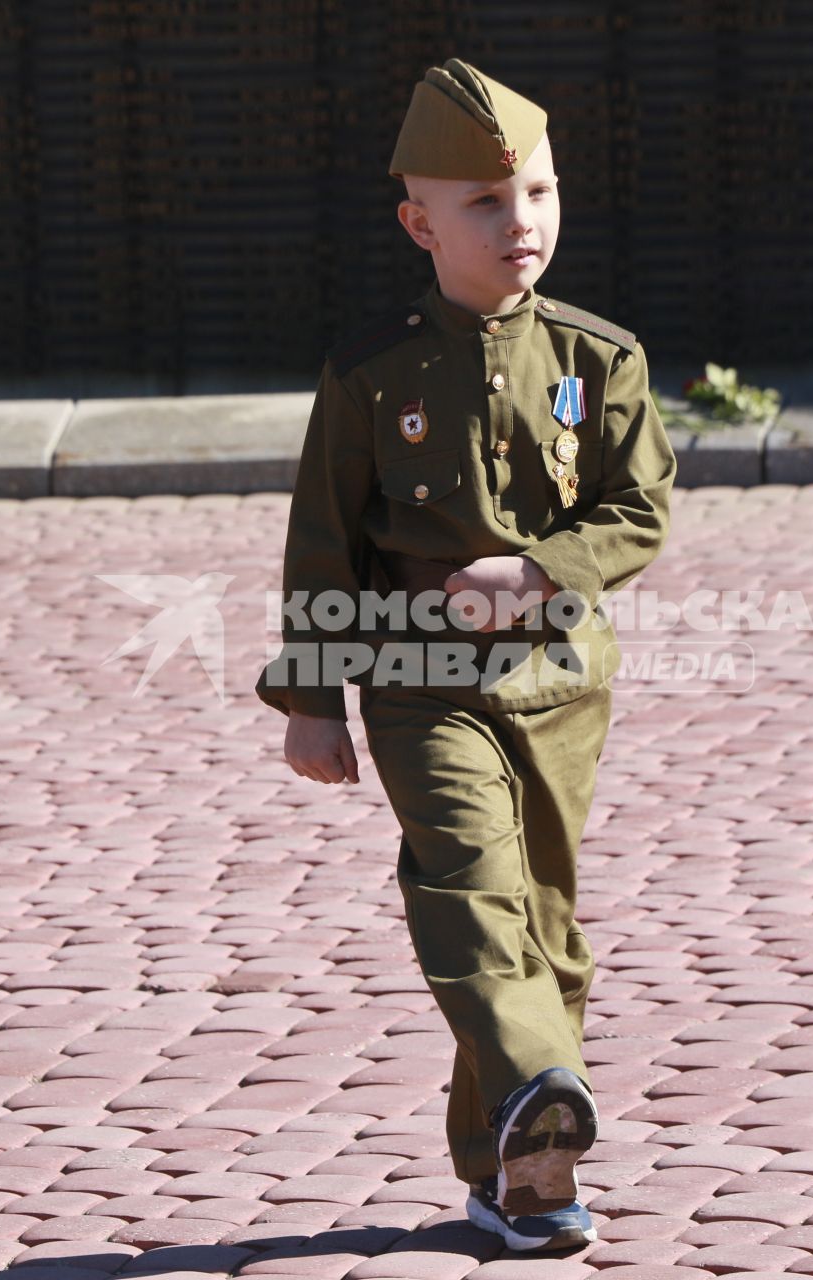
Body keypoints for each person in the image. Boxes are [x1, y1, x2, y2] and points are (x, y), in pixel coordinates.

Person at [254, 56, 677, 1252]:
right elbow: (321, 541)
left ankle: (521, 1173)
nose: (521, 221)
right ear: (419, 222)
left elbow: (639, 508)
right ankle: (546, 1079)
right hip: (414, 678)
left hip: (558, 687)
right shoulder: (370, 372)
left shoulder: (602, 362)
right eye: (487, 203)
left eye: (538, 193)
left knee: (543, 927)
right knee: (465, 885)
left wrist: (541, 573)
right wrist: (311, 698)